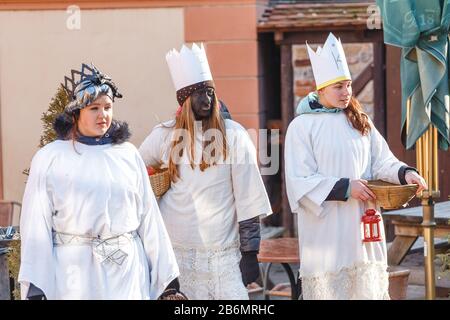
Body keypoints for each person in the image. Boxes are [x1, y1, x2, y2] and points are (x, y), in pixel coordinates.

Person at [18, 63, 183, 300]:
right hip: (73, 276)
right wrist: (36, 286)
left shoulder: (127, 154)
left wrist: (167, 278)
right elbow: (36, 223)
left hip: (126, 274)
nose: (103, 115)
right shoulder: (50, 158)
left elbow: (149, 218)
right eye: (94, 108)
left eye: (107, 107)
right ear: (76, 113)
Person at [285, 33, 427, 300]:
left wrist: (405, 173)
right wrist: (345, 187)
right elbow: (299, 180)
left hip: (363, 225)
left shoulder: (359, 120)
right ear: (321, 89)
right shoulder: (302, 126)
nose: (347, 92)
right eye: (339, 87)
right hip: (326, 230)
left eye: (349, 85)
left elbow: (382, 160)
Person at [139, 43, 272, 299]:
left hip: (222, 254)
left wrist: (250, 252)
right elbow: (134, 171)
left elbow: (248, 196)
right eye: (200, 93)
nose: (208, 99)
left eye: (211, 92)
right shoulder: (164, 135)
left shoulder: (234, 135)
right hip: (176, 253)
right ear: (186, 100)